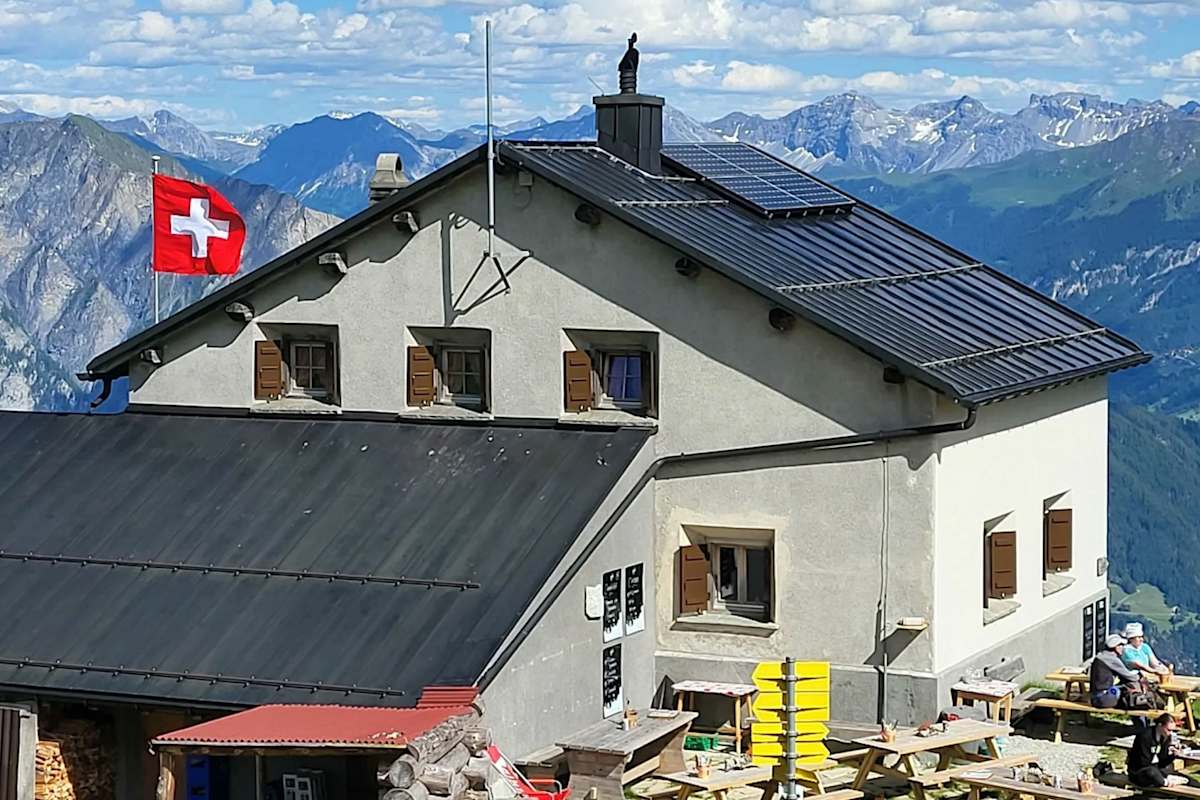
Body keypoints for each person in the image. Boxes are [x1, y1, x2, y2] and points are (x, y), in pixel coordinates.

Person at [1128, 713, 1186, 788]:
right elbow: (1144, 763)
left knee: (1180, 776)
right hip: (1140, 771)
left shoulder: (1166, 737)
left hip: (1155, 769)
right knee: (1151, 772)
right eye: (1168, 730)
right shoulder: (1145, 736)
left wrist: (1173, 755)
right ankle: (1165, 782)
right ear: (1160, 725)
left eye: (1172, 731)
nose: (1170, 733)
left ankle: (1165, 780)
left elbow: (1162, 762)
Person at [1090, 634, 1142, 708]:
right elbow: (1131, 677)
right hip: (1104, 698)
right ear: (1116, 647)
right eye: (1122, 645)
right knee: (1133, 696)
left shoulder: (1100, 656)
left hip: (1095, 697)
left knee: (1131, 694)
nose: (1123, 648)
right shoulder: (1111, 659)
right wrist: (1140, 675)